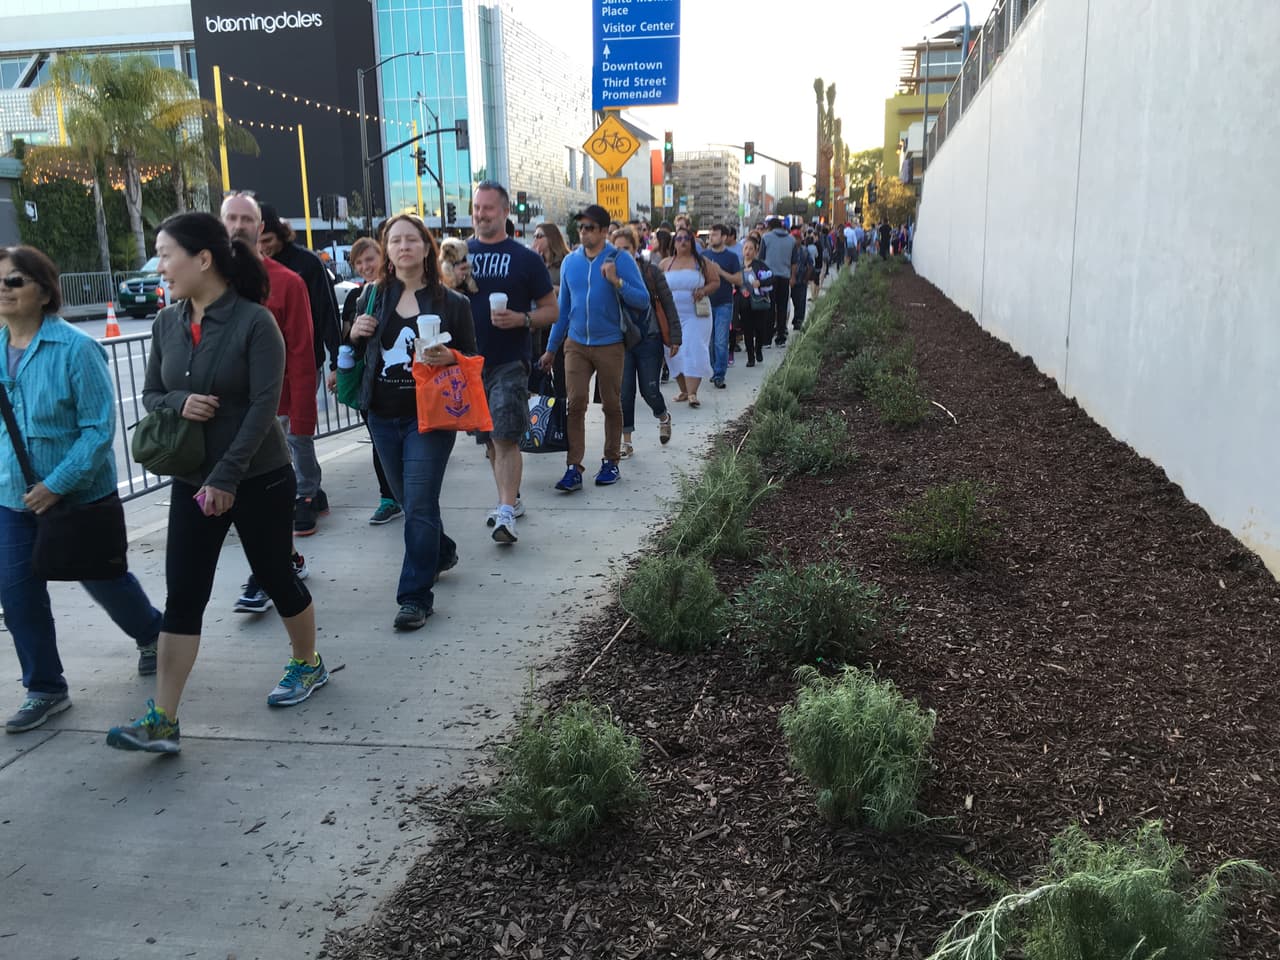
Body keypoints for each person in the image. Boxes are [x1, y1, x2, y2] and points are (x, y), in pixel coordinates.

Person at [108, 213, 327, 755]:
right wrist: (181, 403)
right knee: (184, 594)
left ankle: (308, 663)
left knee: (276, 576)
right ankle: (164, 719)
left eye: (166, 254)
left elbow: (262, 408)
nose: (160, 267)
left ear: (203, 258)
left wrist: (227, 477)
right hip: (192, 477)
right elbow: (152, 393)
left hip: (259, 475)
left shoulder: (255, 322)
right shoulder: (167, 323)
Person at [0, 245, 163, 733]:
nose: (3, 291)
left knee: (102, 578)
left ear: (44, 291)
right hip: (11, 496)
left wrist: (56, 484)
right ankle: (45, 687)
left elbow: (98, 429)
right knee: (17, 592)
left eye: (14, 282)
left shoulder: (76, 348)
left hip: (77, 496)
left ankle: (152, 633)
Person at [347, 214, 477, 631]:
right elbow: (344, 344)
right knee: (410, 502)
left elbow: (473, 361)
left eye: (412, 240)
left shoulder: (452, 304)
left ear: (426, 247)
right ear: (387, 250)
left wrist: (450, 358)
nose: (403, 247)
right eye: (395, 240)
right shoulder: (369, 297)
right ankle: (439, 550)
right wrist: (354, 332)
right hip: (382, 416)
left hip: (430, 418)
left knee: (419, 503)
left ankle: (415, 596)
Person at [220, 193, 316, 615]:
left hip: (274, 412)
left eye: (247, 219)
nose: (239, 225)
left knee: (265, 501)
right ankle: (284, 559)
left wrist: (302, 419)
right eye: (231, 218)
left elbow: (301, 352)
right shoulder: (202, 281)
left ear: (262, 228)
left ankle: (265, 574)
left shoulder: (288, 282)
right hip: (220, 415)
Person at [465, 181, 557, 545]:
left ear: (504, 212)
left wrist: (522, 319)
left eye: (488, 208)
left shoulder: (526, 259)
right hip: (469, 367)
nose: (480, 214)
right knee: (489, 441)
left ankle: (505, 512)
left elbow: (552, 310)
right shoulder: (457, 255)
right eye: (476, 207)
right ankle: (512, 499)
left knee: (505, 437)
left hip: (508, 363)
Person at [540, 204, 648, 492]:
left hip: (610, 343)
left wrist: (617, 282)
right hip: (575, 343)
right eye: (581, 227)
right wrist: (552, 349)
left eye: (589, 228)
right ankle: (573, 467)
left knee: (612, 404)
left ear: (603, 231)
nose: (583, 232)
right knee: (575, 404)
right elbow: (563, 310)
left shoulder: (620, 259)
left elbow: (643, 300)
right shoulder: (570, 263)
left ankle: (611, 460)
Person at [259, 203, 340, 536]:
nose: (263, 247)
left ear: (279, 232)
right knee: (278, 432)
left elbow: (327, 311)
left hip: (303, 360)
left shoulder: (305, 264)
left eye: (267, 239)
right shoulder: (245, 270)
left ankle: (305, 493)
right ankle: (311, 488)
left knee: (297, 432)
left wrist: (338, 359)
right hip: (265, 370)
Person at [337, 236, 403, 526]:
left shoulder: (403, 291)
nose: (365, 266)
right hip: (370, 382)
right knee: (380, 442)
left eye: (369, 259)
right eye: (359, 262)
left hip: (403, 381)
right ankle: (388, 498)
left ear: (384, 257)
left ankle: (405, 493)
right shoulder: (357, 297)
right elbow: (347, 339)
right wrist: (353, 335)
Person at [610, 225, 679, 459]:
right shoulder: (607, 274)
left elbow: (668, 304)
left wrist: (675, 337)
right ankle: (626, 441)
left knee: (649, 390)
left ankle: (663, 416)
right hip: (623, 341)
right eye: (617, 249)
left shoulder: (650, 272)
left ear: (636, 247)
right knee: (625, 393)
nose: (622, 254)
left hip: (650, 338)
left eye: (626, 248)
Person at [661, 227, 719, 407]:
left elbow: (715, 281)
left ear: (692, 242)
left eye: (686, 238)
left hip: (696, 314)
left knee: (693, 349)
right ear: (674, 243)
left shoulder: (701, 262)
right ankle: (684, 390)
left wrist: (703, 290)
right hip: (672, 315)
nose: (683, 241)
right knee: (673, 352)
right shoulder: (665, 264)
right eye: (679, 238)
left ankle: (693, 393)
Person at [531, 222, 570, 400]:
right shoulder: (536, 263)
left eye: (540, 236)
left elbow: (572, 291)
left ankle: (563, 419)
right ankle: (544, 419)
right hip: (540, 326)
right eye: (535, 236)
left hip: (561, 325)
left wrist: (552, 289)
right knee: (540, 375)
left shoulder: (565, 262)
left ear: (551, 238)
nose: (536, 239)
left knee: (561, 376)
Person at [700, 224, 742, 388]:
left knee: (720, 340)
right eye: (710, 234)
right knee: (709, 341)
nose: (711, 237)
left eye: (715, 234)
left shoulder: (731, 257)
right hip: (706, 303)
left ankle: (719, 374)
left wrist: (720, 272)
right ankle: (712, 370)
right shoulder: (703, 255)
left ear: (724, 237)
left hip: (724, 303)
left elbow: (738, 280)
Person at [735, 235, 774, 366]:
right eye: (745, 248)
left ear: (756, 251)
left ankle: (758, 349)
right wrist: (740, 290)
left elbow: (770, 278)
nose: (748, 251)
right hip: (744, 303)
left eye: (751, 248)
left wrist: (760, 282)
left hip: (758, 302)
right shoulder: (738, 266)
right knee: (747, 330)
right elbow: (735, 283)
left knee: (759, 328)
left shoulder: (760, 265)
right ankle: (750, 357)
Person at [759, 218, 797, 346]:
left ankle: (767, 339)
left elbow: (761, 258)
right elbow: (794, 262)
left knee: (769, 308)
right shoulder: (791, 240)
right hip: (785, 277)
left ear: (770, 227)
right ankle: (781, 337)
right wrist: (793, 277)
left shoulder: (766, 238)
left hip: (769, 278)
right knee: (782, 308)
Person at [790, 230, 813, 333]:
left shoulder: (805, 250)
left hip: (801, 280)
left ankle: (798, 322)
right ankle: (795, 319)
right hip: (791, 281)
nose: (795, 240)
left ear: (800, 239)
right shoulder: (789, 250)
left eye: (796, 238)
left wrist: (806, 278)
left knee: (801, 302)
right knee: (794, 301)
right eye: (793, 238)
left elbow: (810, 265)